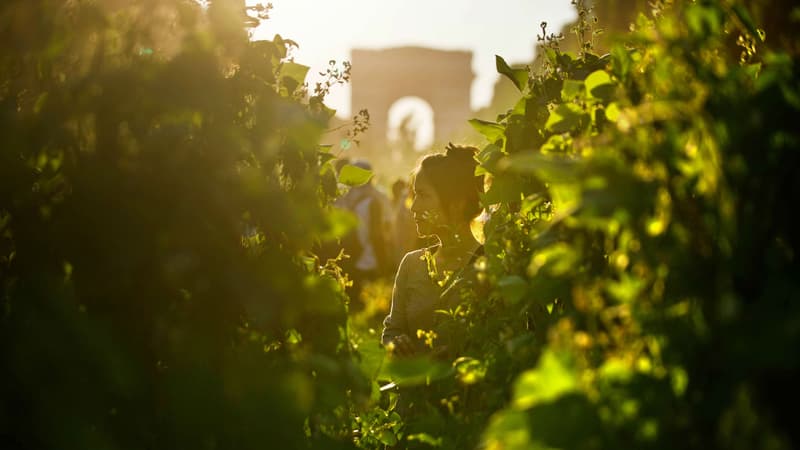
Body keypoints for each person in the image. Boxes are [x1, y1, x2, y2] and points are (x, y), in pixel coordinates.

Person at [381, 144, 485, 358]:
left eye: (424, 195)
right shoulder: (412, 263)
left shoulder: (486, 265)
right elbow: (392, 330)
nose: (414, 207)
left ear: (456, 204)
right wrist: (396, 343)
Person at [335, 159, 392, 309]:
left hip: (347, 255)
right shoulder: (375, 199)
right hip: (368, 256)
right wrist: (383, 259)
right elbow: (376, 233)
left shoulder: (342, 197)